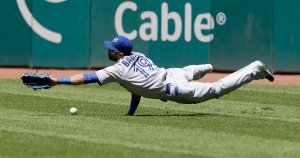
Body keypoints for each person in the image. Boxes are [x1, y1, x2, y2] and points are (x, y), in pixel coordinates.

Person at [50, 36, 274, 116]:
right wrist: (130, 112)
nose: (107, 50)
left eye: (111, 48)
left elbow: (86, 78)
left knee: (215, 89)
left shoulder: (117, 69)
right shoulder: (137, 54)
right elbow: (135, 89)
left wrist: (57, 81)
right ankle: (208, 65)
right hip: (173, 73)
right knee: (200, 69)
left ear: (119, 53)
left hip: (174, 89)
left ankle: (254, 69)